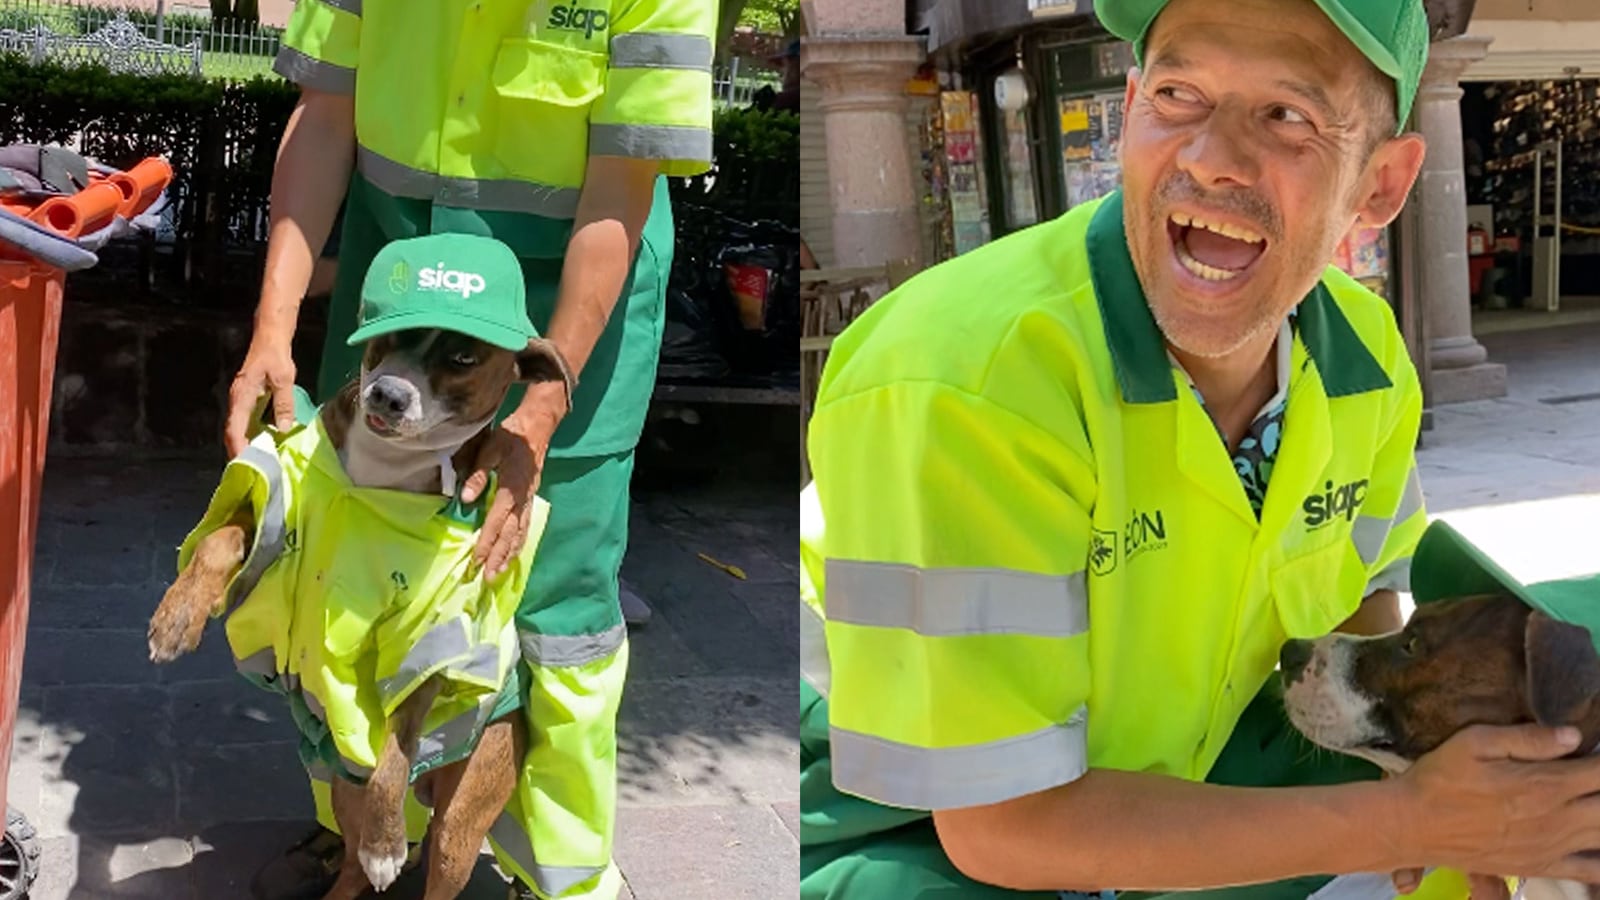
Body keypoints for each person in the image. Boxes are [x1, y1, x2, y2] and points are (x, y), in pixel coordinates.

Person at [798, 1, 1600, 898]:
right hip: (905, 829)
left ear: (1380, 187)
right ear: (1131, 105)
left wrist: (1421, 791)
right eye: (1179, 95)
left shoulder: (1367, 356)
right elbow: (1001, 827)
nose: (1211, 158)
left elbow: (1365, 601)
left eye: (1287, 115)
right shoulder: (962, 379)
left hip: (1195, 763)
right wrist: (1407, 819)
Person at [226, 2, 715, 898]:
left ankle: (562, 876)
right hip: (398, 304)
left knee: (555, 606)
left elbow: (620, 189)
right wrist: (272, 326)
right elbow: (326, 115)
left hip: (571, 314)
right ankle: (371, 844)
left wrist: (538, 408)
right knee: (356, 574)